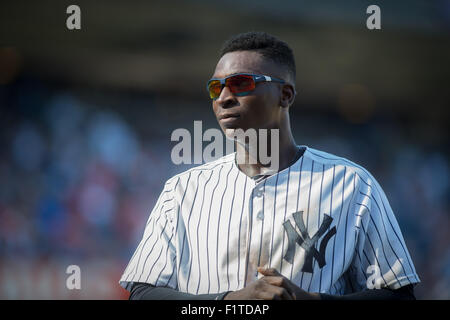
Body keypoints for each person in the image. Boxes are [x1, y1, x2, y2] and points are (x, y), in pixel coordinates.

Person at [119, 31, 420, 300]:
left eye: (240, 84)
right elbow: (143, 292)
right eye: (215, 88)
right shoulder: (182, 190)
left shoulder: (352, 184)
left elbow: (400, 295)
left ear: (285, 95)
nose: (224, 98)